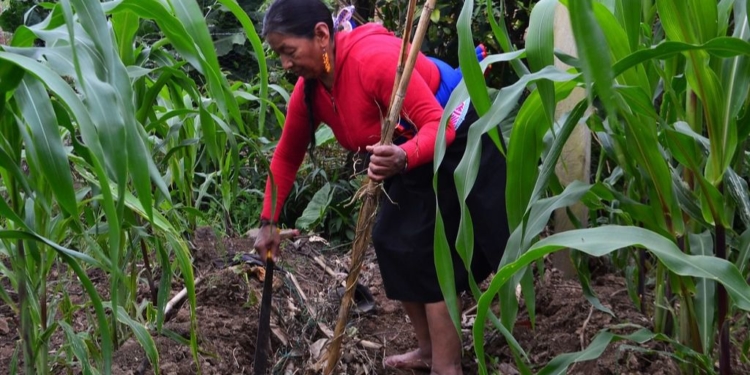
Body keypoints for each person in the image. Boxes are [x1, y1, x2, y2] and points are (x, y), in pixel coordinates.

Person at [254, 0, 509, 373]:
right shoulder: (311, 91)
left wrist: (404, 158)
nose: (285, 65)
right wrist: (267, 221)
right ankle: (426, 351)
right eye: (279, 55)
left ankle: (447, 365)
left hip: (456, 138)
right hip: (405, 151)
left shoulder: (371, 61)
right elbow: (286, 157)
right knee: (391, 238)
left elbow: (440, 126)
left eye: (288, 52)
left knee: (432, 257)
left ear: (322, 35)